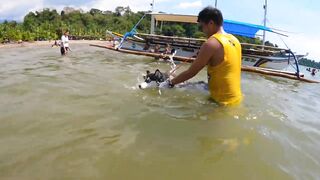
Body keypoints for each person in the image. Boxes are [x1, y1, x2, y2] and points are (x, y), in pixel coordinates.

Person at [160, 6, 243, 106]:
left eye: (202, 26)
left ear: (211, 23)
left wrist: (169, 83)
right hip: (236, 99)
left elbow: (191, 72)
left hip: (220, 103)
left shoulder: (211, 43)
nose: (202, 31)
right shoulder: (235, 40)